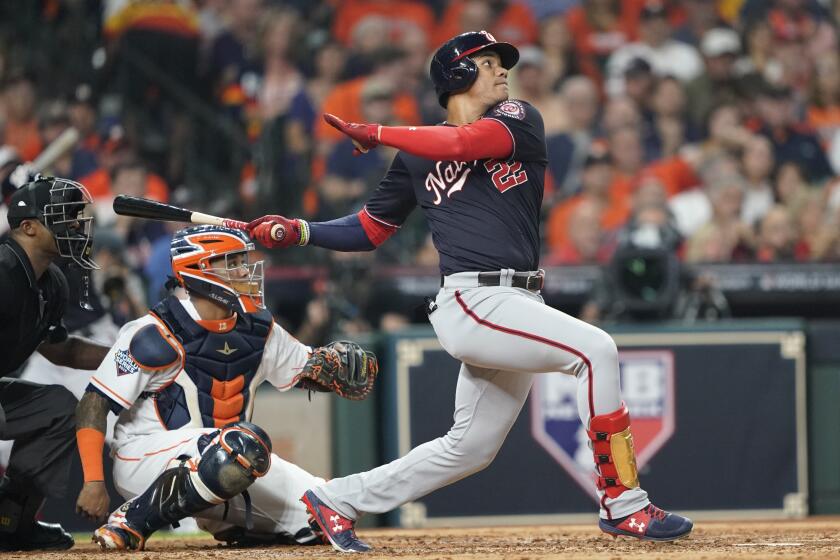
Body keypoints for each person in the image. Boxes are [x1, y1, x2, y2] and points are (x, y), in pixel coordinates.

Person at [246, 30, 693, 553]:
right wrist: (301, 230)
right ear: (456, 76)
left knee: (470, 448)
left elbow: (462, 143)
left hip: (520, 299)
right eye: (486, 63)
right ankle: (624, 505)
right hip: (473, 299)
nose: (502, 70)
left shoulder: (518, 119)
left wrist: (380, 131)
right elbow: (369, 229)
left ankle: (337, 498)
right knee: (597, 351)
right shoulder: (416, 155)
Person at [81, 225, 379, 551]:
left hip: (231, 463)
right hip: (145, 458)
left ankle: (236, 525)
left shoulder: (260, 329)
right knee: (243, 444)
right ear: (199, 269)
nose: (245, 271)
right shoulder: (154, 330)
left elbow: (306, 370)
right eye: (232, 261)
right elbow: (94, 402)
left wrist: (336, 368)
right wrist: (94, 480)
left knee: (327, 511)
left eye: (244, 260)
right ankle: (131, 521)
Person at [0, 176, 111, 551]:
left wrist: (126, 354)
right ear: (28, 227)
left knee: (59, 409)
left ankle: (12, 523)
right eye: (63, 217)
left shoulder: (52, 283)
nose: (76, 226)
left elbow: (62, 351)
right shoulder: (2, 272)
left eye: (76, 217)